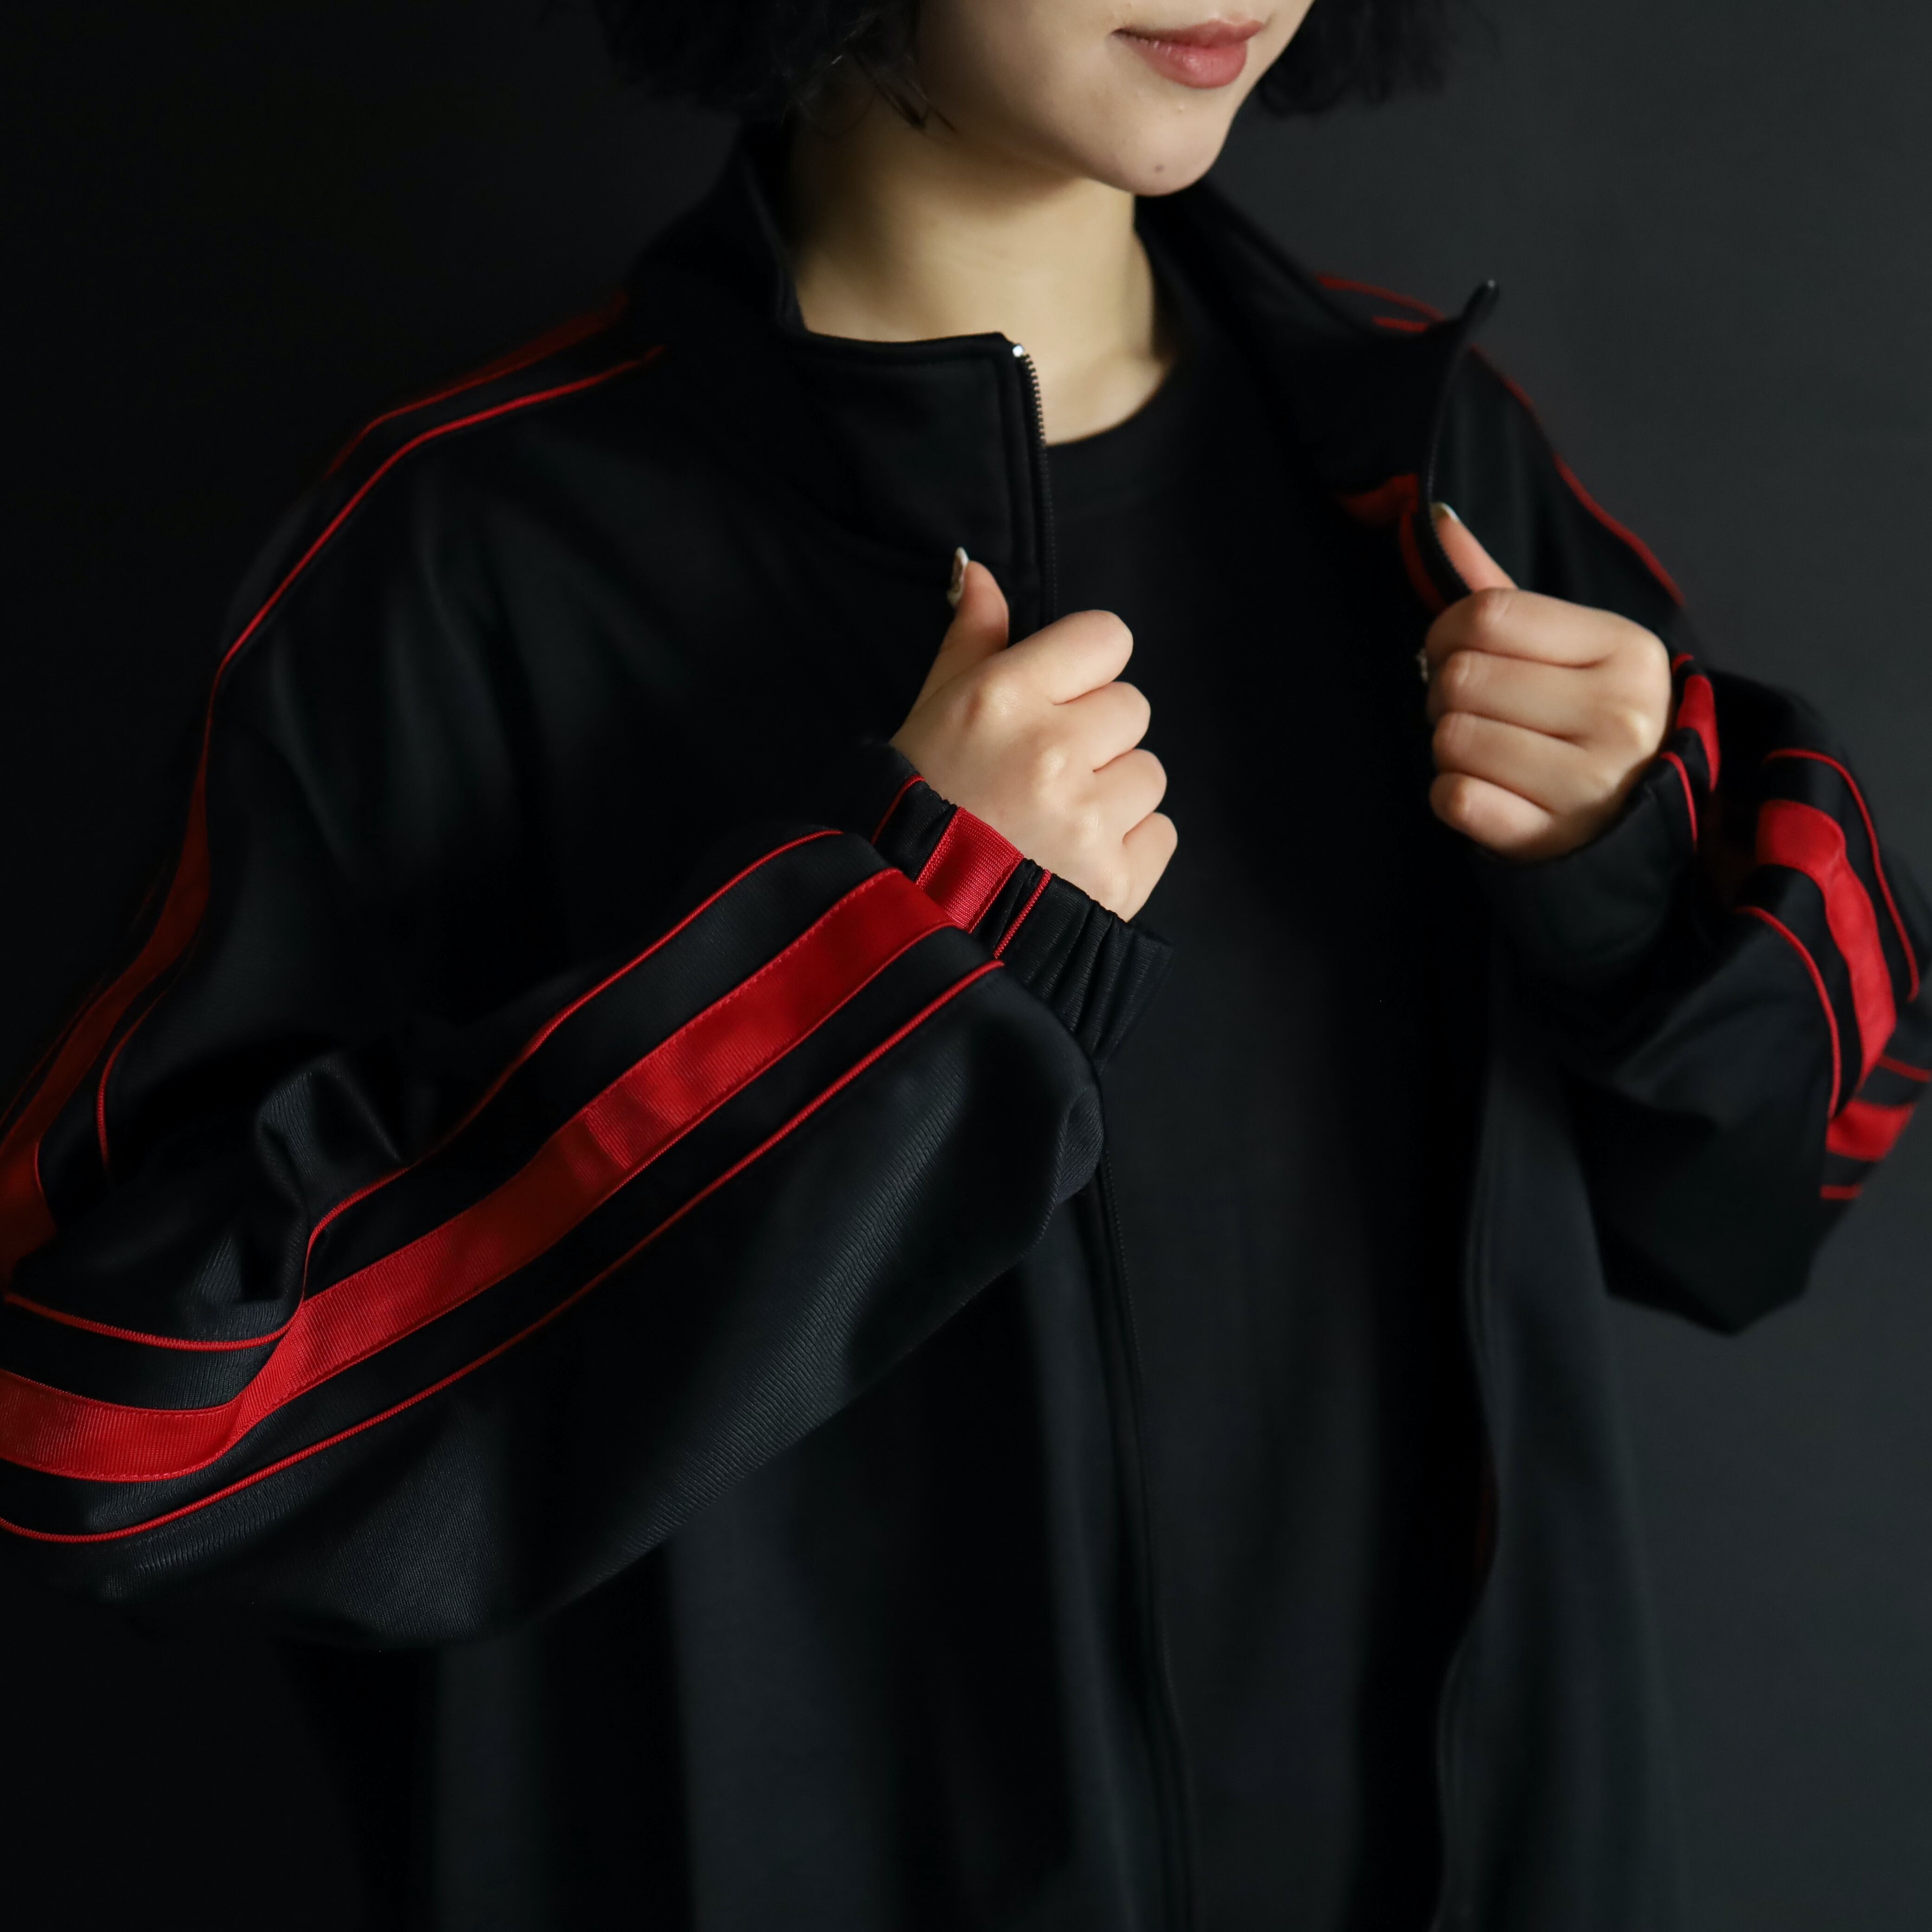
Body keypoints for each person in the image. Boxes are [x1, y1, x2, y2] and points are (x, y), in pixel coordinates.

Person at [0, 2, 1924, 1926]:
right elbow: (107, 1426)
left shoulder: (1418, 462)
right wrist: (868, 974)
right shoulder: (459, 549)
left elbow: (1766, 1195)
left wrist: (1631, 863)